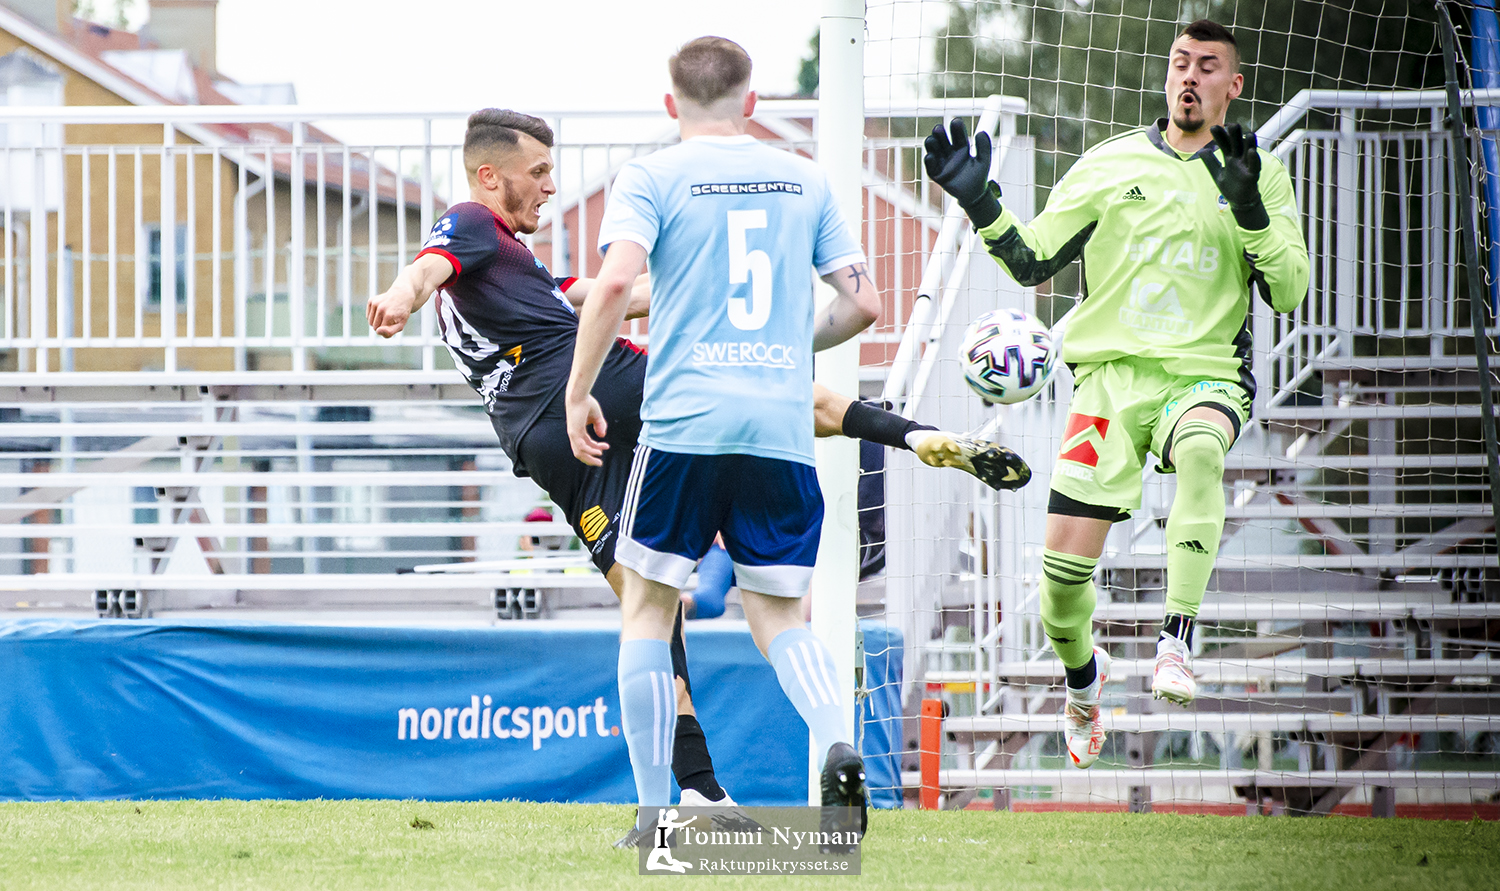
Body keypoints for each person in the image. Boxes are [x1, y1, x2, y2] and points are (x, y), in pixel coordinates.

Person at [367, 108, 1030, 820]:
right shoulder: (471, 222)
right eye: (538, 172)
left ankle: (692, 788)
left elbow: (613, 296)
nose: (550, 186)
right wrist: (396, 299)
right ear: (489, 176)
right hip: (590, 390)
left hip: (546, 445)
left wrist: (694, 286)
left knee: (646, 605)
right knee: (778, 396)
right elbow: (425, 270)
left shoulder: (514, 269)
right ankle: (912, 435)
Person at [924, 19, 1309, 768]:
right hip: (1106, 385)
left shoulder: (1257, 172)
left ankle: (1177, 639)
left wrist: (1251, 213)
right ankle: (1082, 681)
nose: (1189, 76)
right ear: (1167, 76)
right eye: (1180, 62)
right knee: (1059, 590)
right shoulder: (1108, 163)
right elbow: (1033, 259)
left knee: (1203, 451)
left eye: (1207, 66)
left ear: (1233, 86)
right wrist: (980, 204)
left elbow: (1291, 290)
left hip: (1204, 374)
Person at [565, 36, 878, 846]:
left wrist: (577, 389)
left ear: (671, 104)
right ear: (753, 102)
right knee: (779, 616)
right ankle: (837, 741)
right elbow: (862, 305)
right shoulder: (806, 178)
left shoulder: (651, 176)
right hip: (778, 425)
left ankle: (652, 814)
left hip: (684, 422)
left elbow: (613, 283)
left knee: (645, 609)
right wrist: (784, 346)